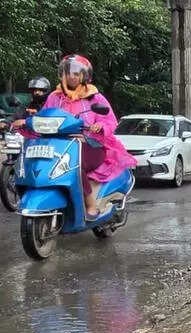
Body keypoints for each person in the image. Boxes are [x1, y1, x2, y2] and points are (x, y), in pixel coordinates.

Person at [42, 55, 136, 220]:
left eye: (77, 73)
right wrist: (27, 121)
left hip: (90, 144)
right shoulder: (54, 97)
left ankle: (91, 204)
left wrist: (100, 126)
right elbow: (44, 116)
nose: (72, 76)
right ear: (63, 74)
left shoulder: (94, 97)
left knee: (74, 166)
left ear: (83, 76)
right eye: (68, 73)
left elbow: (109, 120)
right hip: (58, 145)